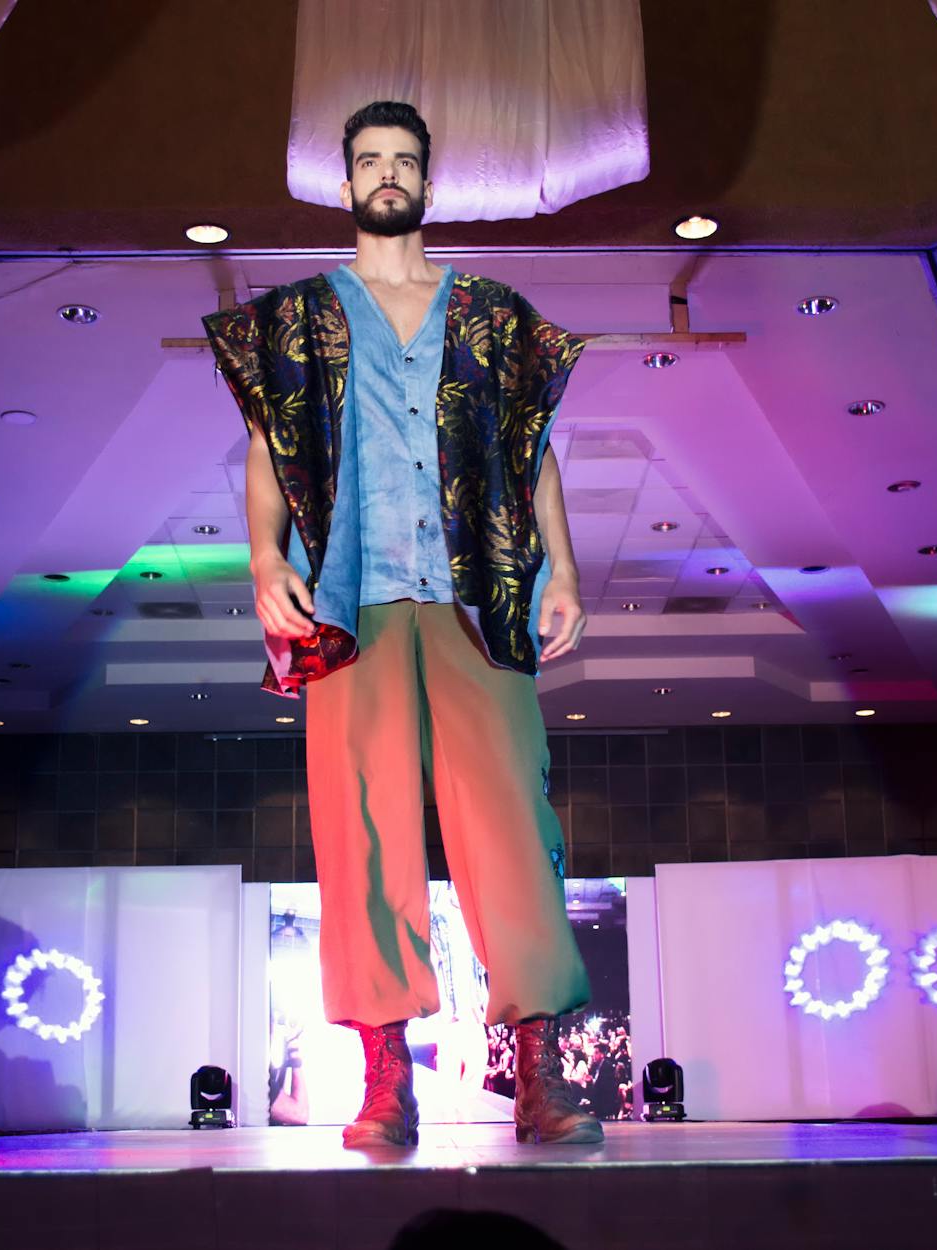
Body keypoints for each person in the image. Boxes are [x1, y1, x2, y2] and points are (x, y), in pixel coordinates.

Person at [205, 100, 601, 1148]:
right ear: (344, 184)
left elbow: (534, 450)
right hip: (350, 601)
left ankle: (540, 1077)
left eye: (404, 161)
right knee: (359, 828)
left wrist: (562, 564)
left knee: (514, 822)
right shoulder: (296, 316)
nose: (387, 175)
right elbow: (263, 447)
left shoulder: (490, 313)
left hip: (476, 599)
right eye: (369, 161)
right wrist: (260, 558)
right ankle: (385, 1079)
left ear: (428, 182)